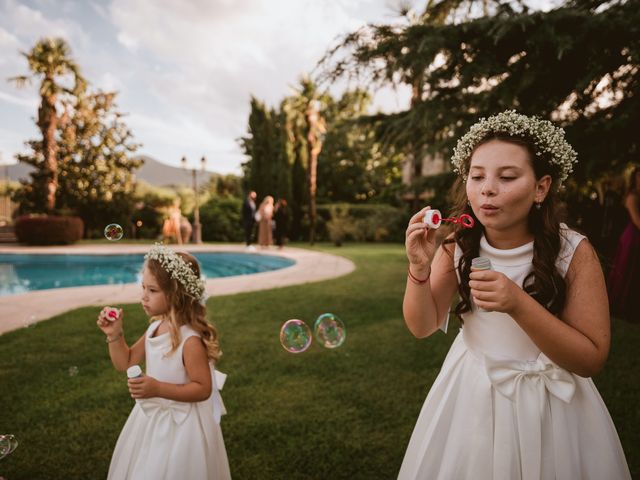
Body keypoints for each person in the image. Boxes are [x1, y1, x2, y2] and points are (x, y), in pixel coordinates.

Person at [399, 111, 631, 479]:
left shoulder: (572, 251)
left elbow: (590, 359)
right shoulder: (457, 246)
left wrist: (518, 304)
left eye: (506, 177)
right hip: (474, 397)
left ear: (541, 188)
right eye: (476, 177)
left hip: (555, 407)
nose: (487, 188)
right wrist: (419, 269)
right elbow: (422, 325)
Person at [96, 243, 231, 479]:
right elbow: (124, 362)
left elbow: (202, 388)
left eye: (153, 290)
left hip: (182, 427)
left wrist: (157, 388)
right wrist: (114, 334)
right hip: (151, 419)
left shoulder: (190, 340)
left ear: (176, 293)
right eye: (143, 287)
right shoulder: (156, 328)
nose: (143, 296)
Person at [607, 166, 640, 324]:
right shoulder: (632, 197)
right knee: (628, 271)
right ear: (635, 180)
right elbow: (636, 220)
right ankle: (622, 307)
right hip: (632, 238)